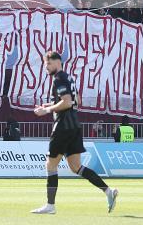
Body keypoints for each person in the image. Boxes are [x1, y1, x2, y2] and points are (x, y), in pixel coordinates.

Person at [30, 51, 118, 215]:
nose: (46, 67)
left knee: (50, 165)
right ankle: (108, 191)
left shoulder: (59, 79)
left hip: (63, 125)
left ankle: (50, 205)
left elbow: (67, 102)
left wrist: (47, 110)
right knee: (76, 167)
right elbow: (77, 100)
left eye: (48, 63)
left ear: (57, 62)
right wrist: (49, 104)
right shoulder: (69, 78)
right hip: (74, 125)